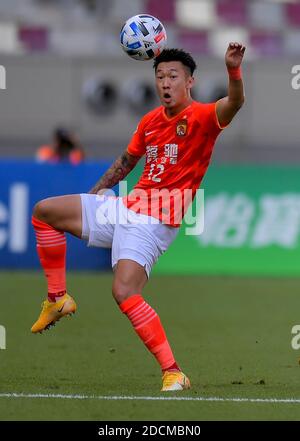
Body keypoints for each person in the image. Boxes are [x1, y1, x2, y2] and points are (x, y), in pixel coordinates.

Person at [30, 43, 245, 391]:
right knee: (44, 212)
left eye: (173, 76)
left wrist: (233, 70)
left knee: (124, 291)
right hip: (126, 207)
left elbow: (234, 103)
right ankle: (58, 299)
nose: (165, 82)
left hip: (156, 221)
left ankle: (174, 372)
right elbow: (127, 162)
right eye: (159, 76)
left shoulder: (204, 117)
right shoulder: (150, 121)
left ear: (189, 82)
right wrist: (97, 190)